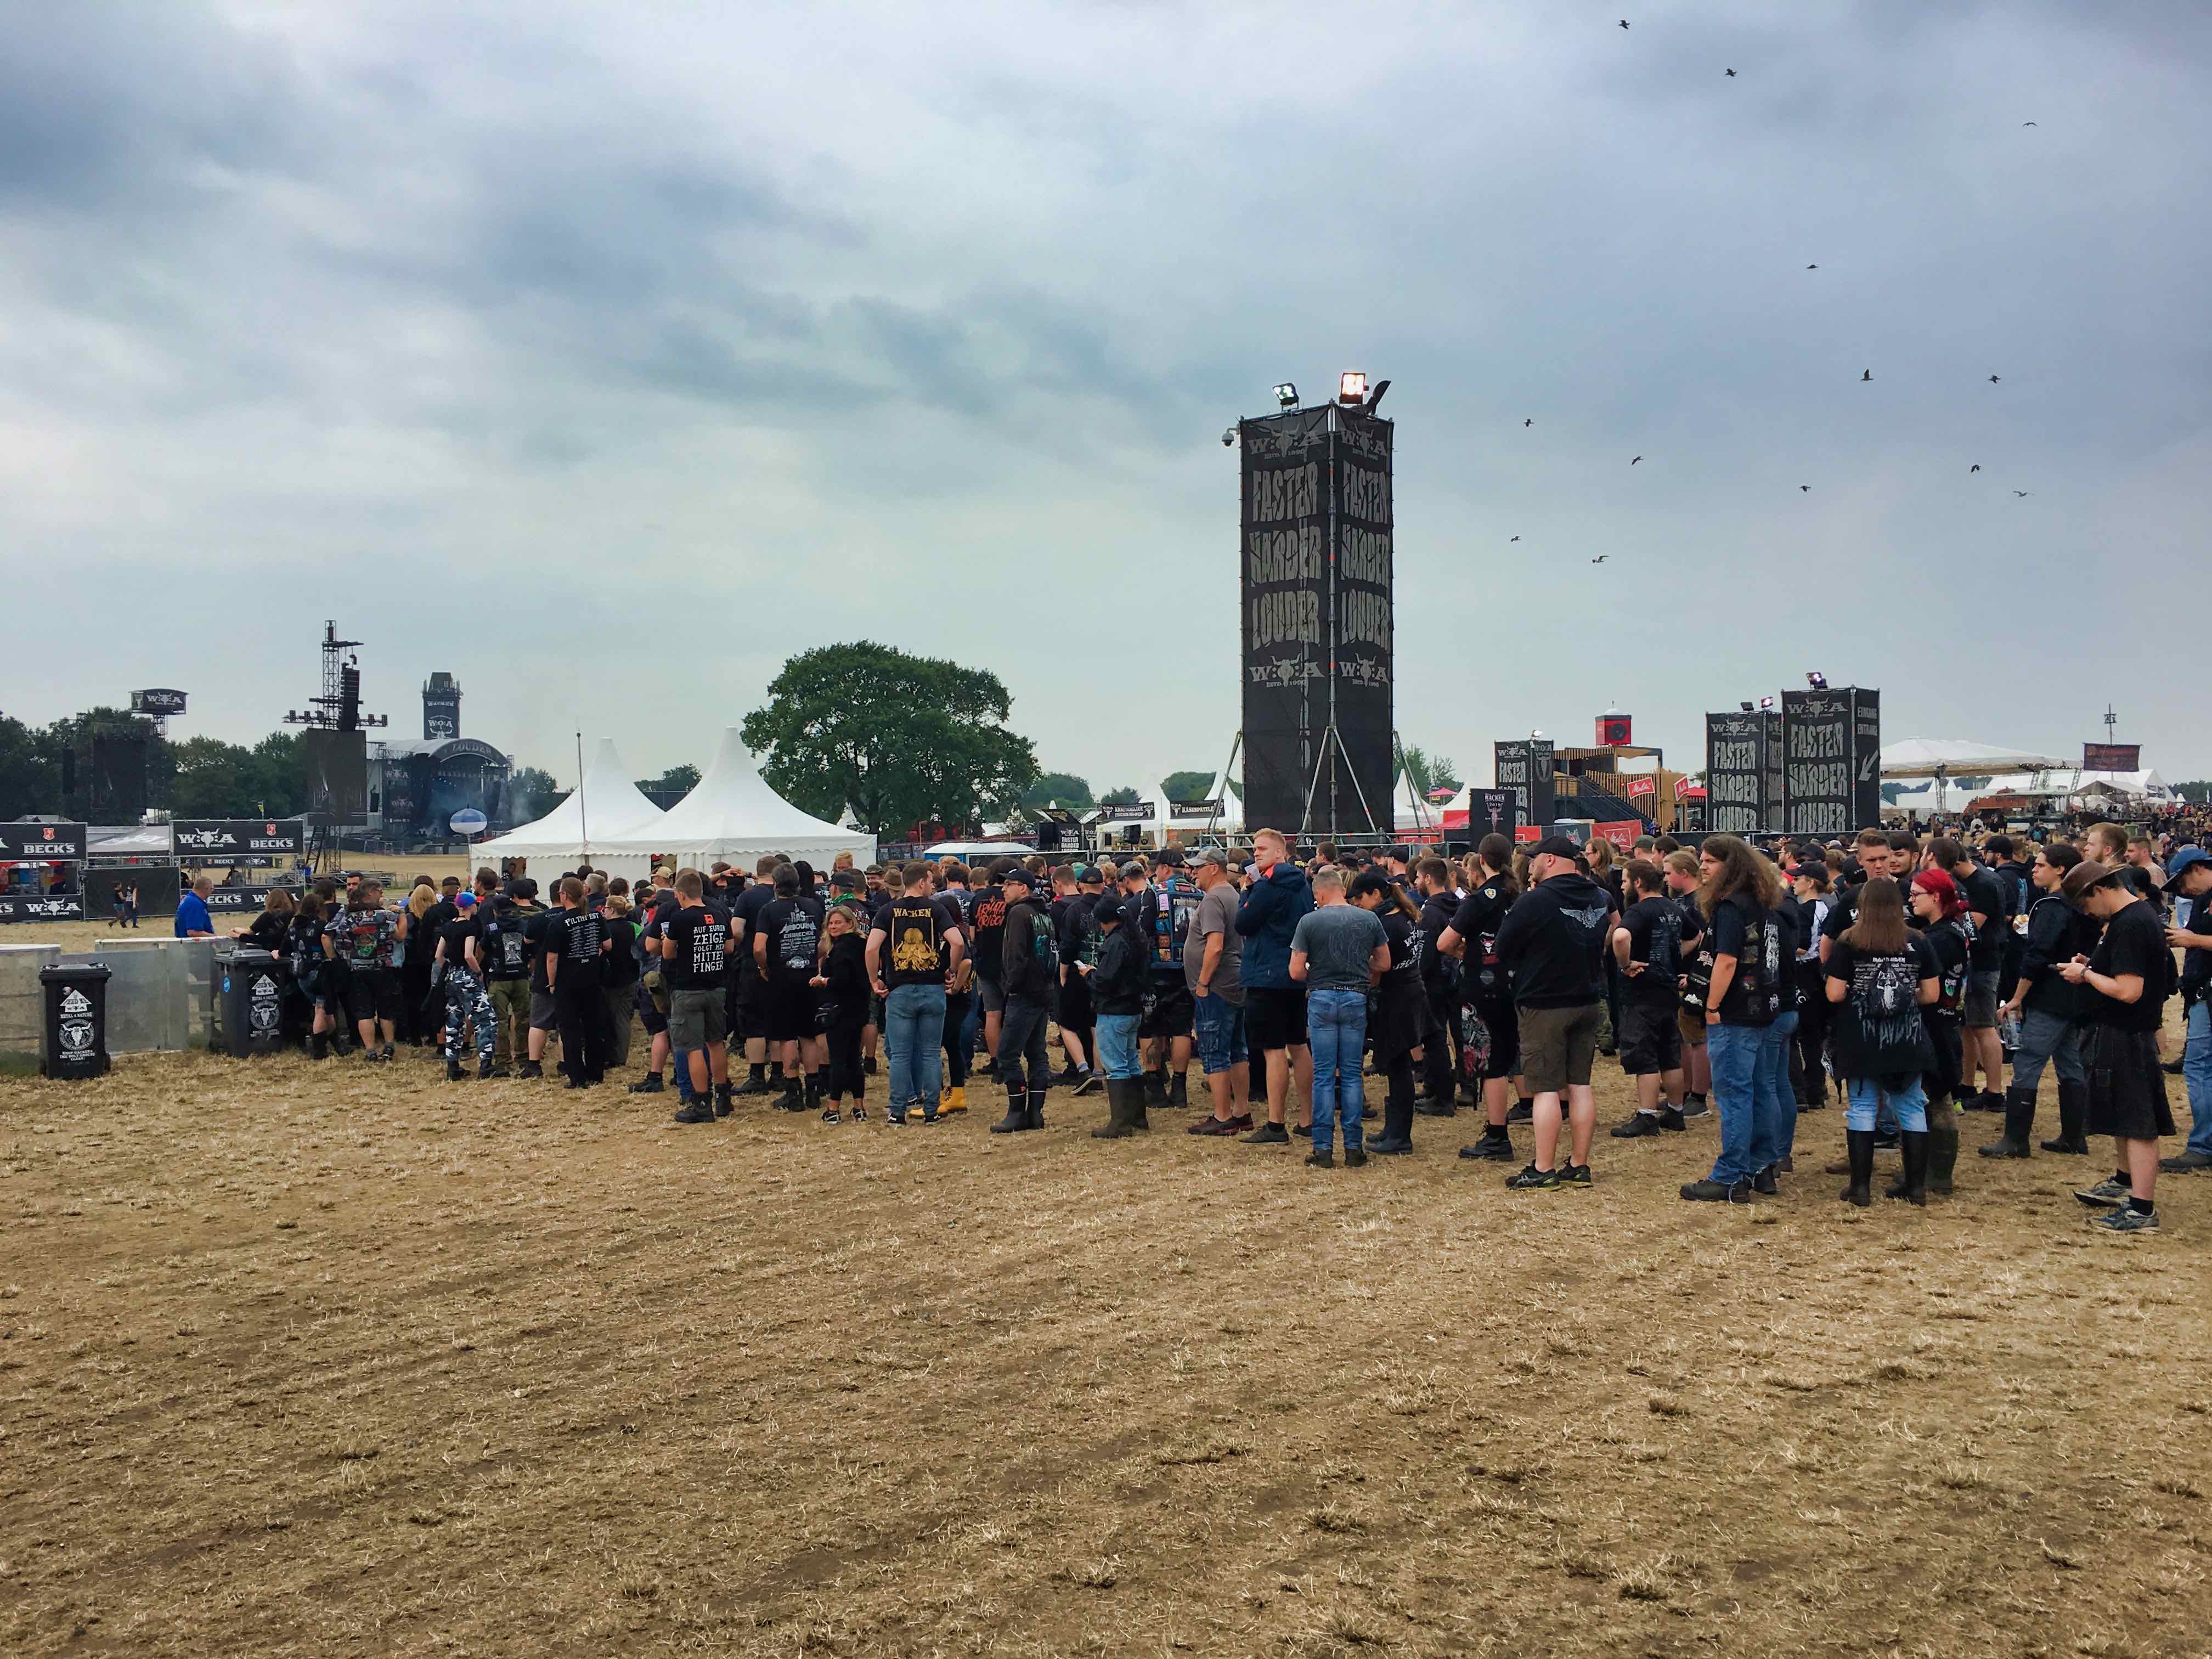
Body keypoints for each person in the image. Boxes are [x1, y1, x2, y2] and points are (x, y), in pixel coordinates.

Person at [1493, 836, 1616, 1190]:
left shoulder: (1535, 901)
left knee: (1545, 1088)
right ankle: (1579, 1164)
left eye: (1533, 859)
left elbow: (1503, 947)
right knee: (1580, 1086)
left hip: (1545, 1002)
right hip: (1588, 1000)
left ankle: (1543, 1167)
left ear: (1549, 860)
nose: (1529, 865)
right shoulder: (1596, 895)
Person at [2061, 861, 2176, 1232]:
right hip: (2118, 1032)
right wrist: (2093, 964)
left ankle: (2142, 1209)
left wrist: (2087, 974)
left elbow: (2129, 991)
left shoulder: (2129, 924)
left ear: (2099, 890)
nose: (2086, 914)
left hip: (2127, 1034)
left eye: (2085, 905)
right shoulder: (2133, 917)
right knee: (2123, 1116)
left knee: (2137, 1120)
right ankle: (2124, 1183)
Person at [1824, 877, 1940, 1206]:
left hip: (1861, 1036)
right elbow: (1931, 995)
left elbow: (1834, 993)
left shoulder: (1850, 941)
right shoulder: (1918, 941)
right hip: (1907, 1036)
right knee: (1911, 1105)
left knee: (1862, 1106)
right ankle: (1916, 1187)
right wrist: (1903, 996)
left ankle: (1860, 1188)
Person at [1680, 836, 1783, 1203]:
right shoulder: (1763, 903)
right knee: (1759, 1089)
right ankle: (1761, 1166)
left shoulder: (1729, 908)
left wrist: (1711, 1006)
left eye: (1710, 861)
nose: (1703, 867)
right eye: (1701, 860)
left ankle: (1730, 1175)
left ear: (1731, 866)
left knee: (1735, 1094)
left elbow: (1726, 961)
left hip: (1735, 1012)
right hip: (1764, 1009)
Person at [1983, 842, 2092, 1157]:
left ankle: (2016, 1140)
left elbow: (2037, 954)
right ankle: (2074, 1137)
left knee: (2028, 1061)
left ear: (2060, 869)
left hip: (2050, 995)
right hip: (2073, 994)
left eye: (2041, 865)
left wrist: (2017, 997)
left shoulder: (2053, 906)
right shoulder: (2079, 904)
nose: (2033, 868)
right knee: (2069, 1061)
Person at [1289, 868, 1390, 1169]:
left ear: (1319, 893)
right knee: (1351, 1073)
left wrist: (1316, 976)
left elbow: (1295, 971)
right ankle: (1354, 1148)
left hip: (1321, 997)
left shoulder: (1309, 921)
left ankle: (1322, 1149)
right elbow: (1384, 962)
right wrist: (1362, 967)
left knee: (1323, 1074)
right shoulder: (1368, 919)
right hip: (1355, 996)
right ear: (1342, 890)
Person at [1441, 837, 1523, 1161]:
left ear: (1482, 861)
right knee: (1504, 1058)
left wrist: (1463, 949)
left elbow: (1445, 943)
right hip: (1512, 985)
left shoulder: (1479, 901)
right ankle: (1498, 1131)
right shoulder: (1517, 894)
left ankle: (1497, 1134)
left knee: (1491, 1065)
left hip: (1481, 989)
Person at [866, 862, 966, 1126]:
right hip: (932, 988)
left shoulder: (888, 911)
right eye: (931, 881)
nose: (933, 886)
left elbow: (871, 948)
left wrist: (874, 980)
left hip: (899, 989)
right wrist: (951, 970)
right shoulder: (936, 909)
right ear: (921, 882)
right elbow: (957, 942)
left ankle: (897, 1112)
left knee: (900, 1055)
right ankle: (931, 1109)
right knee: (931, 1052)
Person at [1235, 828, 1315, 1146]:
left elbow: (1243, 923)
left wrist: (1246, 892)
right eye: (1254, 848)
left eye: (1262, 848)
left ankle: (1276, 1123)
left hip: (1266, 973)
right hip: (1294, 972)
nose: (1256, 853)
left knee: (1273, 1049)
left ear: (1280, 853)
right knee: (1298, 1043)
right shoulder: (1302, 885)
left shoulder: (1268, 885)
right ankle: (1307, 1119)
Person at [1350, 870, 1429, 1156]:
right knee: (1398, 1065)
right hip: (1409, 991)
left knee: (1398, 1067)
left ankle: (1400, 1136)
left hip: (1397, 996)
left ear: (1375, 893)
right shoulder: (1404, 916)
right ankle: (1394, 1129)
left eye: (1360, 898)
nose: (1358, 904)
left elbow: (1379, 964)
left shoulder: (1385, 922)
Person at [1609, 859, 1687, 1139]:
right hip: (1668, 991)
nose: (1622, 885)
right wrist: (1675, 957)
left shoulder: (1639, 911)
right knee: (1670, 1055)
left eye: (1626, 880)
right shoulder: (1674, 908)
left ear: (1638, 883)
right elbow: (1696, 935)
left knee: (1645, 1057)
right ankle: (1676, 1111)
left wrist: (1625, 963)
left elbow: (1619, 937)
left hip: (1641, 992)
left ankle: (1647, 1116)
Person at [658, 868, 736, 1125]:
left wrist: (671, 941)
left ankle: (701, 1103)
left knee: (692, 1048)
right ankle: (723, 1098)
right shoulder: (719, 913)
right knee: (716, 1043)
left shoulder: (681, 918)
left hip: (688, 989)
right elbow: (729, 947)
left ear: (680, 894)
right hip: (716, 987)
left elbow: (668, 954)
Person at [1186, 849, 1250, 1136]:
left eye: (1198, 868)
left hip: (1217, 986)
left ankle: (1223, 1115)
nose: (1193, 873)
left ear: (1214, 868)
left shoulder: (1213, 899)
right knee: (1237, 1050)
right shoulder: (1233, 895)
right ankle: (1241, 1112)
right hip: (1234, 981)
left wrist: (1202, 983)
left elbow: (1215, 946)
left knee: (1215, 1051)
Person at [989, 866, 1056, 1133]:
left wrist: (1010, 987)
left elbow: (1015, 956)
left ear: (1024, 888)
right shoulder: (1044, 912)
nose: (1004, 889)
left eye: (1009, 884)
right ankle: (1036, 1114)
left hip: (1025, 992)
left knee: (1007, 1054)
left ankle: (1017, 1113)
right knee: (1036, 1052)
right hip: (1043, 990)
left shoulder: (1019, 913)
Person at [754, 865, 826, 1112]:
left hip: (781, 980)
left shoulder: (769, 910)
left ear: (775, 884)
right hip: (809, 978)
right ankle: (814, 1092)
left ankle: (793, 1092)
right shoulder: (814, 906)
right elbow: (824, 942)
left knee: (786, 1037)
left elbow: (758, 948)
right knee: (809, 1035)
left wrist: (764, 967)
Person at [2159, 847, 2212, 1173]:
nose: (2182, 892)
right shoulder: (2204, 899)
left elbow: (2197, 939)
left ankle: (2203, 1145)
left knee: (2200, 1068)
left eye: (2181, 883)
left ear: (2197, 868)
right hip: (2201, 992)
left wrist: (2194, 940)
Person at [1086, 895, 1149, 1137]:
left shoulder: (1115, 943)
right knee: (1131, 1061)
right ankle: (1137, 1117)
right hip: (1132, 1009)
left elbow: (1105, 981)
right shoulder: (1137, 938)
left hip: (1114, 1010)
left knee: (1115, 1066)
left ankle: (1120, 1124)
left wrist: (1088, 975)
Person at [545, 875, 611, 1088]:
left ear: (563, 895)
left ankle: (577, 1076)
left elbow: (552, 957)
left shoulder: (559, 922)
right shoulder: (595, 916)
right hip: (592, 978)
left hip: (568, 983)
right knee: (594, 1027)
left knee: (570, 1030)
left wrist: (552, 983)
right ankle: (596, 1073)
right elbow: (608, 945)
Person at [326, 878, 400, 1062]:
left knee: (364, 1012)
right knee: (385, 1011)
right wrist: (402, 914)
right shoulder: (385, 916)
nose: (381, 894)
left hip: (357, 968)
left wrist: (337, 958)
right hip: (382, 967)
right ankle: (389, 1047)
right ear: (371, 893)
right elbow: (400, 935)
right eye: (379, 891)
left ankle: (370, 1051)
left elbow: (327, 935)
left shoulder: (347, 916)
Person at [811, 904, 872, 1122]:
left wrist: (823, 980)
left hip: (841, 1010)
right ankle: (859, 1108)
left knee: (838, 1059)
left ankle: (833, 1109)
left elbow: (843, 980)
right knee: (855, 1058)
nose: (834, 926)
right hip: (860, 1008)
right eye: (831, 923)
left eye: (838, 922)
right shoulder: (862, 944)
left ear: (850, 923)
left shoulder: (841, 949)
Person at [1414, 857, 1462, 1115]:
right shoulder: (1456, 904)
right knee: (1438, 1037)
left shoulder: (1431, 911)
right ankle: (1434, 1086)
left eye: (1419, 877)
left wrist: (1418, 977)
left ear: (1429, 879)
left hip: (1434, 981)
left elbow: (1426, 952)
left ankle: (1443, 1098)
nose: (1415, 882)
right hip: (1452, 979)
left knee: (1434, 1039)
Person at [433, 890, 496, 1081]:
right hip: (467, 977)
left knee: (454, 1021)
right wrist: (477, 972)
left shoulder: (448, 926)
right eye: (475, 904)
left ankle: (453, 1067)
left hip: (451, 977)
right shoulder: (470, 927)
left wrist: (451, 969)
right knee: (486, 1019)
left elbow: (438, 956)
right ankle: (486, 1065)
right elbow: (469, 954)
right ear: (469, 907)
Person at [477, 882, 538, 1078]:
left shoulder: (491, 927)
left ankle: (503, 1061)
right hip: (521, 976)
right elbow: (533, 951)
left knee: (500, 1021)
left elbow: (483, 949)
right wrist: (530, 968)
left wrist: (479, 970)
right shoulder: (524, 925)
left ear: (495, 911)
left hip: (499, 977)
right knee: (523, 1019)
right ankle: (523, 1056)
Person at [1050, 866, 1102, 1096]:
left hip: (1076, 972)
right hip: (1103, 972)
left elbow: (1067, 946)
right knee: (1096, 1024)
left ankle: (1083, 1069)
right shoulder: (1111, 905)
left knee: (1066, 1023)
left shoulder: (1073, 910)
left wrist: (1062, 973)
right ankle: (1099, 1071)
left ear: (1081, 884)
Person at [600, 894, 640, 1074]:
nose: (604, 911)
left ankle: (610, 1054)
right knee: (624, 1018)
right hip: (630, 977)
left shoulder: (606, 929)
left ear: (612, 910)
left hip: (610, 979)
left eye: (606, 909)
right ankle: (621, 1056)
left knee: (608, 1018)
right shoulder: (634, 928)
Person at [174, 874, 216, 940]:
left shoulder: (189, 899)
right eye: (212, 889)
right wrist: (215, 938)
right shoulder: (194, 903)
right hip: (193, 947)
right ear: (207, 889)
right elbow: (193, 932)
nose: (212, 892)